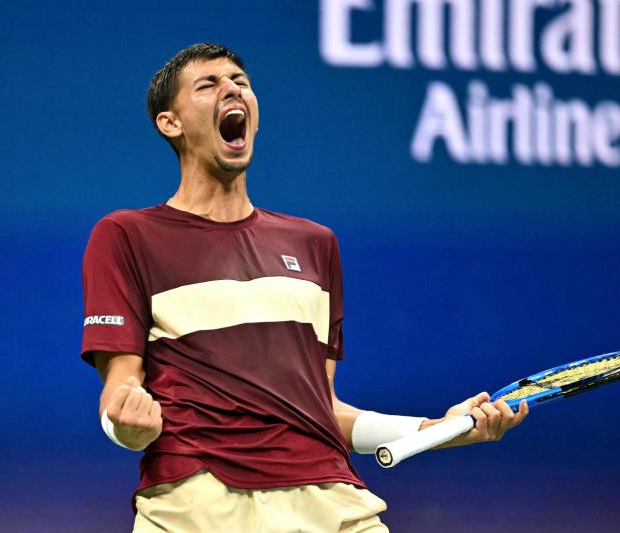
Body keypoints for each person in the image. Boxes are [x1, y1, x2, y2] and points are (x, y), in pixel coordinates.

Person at [81, 43, 528, 533]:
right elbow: (121, 389)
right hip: (198, 501)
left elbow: (323, 408)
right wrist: (125, 425)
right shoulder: (127, 235)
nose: (233, 88)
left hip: (332, 503)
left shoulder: (315, 245)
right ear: (171, 123)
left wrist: (435, 432)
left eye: (241, 83)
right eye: (209, 85)